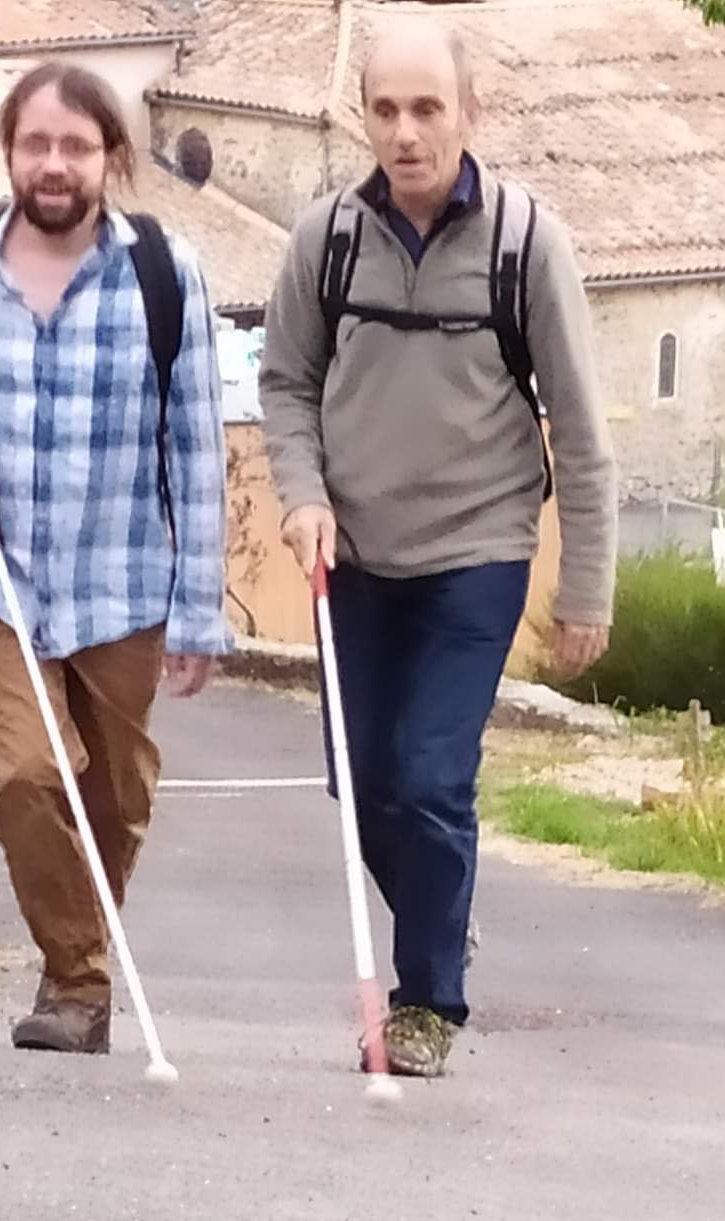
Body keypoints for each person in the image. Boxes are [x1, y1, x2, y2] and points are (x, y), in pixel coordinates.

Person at [259, 16, 618, 1078]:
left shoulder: (524, 244)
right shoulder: (324, 241)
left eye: (427, 109)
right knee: (361, 778)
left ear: (470, 113)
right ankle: (437, 916)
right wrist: (302, 495)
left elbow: (583, 430)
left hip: (480, 549)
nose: (406, 133)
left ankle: (428, 1004)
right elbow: (285, 386)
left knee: (428, 775)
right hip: (355, 555)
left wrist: (586, 589)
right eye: (385, 110)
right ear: (360, 115)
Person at [0, 63, 228, 1054]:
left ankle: (71, 967)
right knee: (32, 778)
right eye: (36, 143)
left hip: (124, 582)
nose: (54, 162)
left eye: (76, 146)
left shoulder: (167, 274)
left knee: (114, 802)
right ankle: (78, 984)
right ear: (10, 152)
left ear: (110, 159)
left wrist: (200, 610)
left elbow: (196, 449)